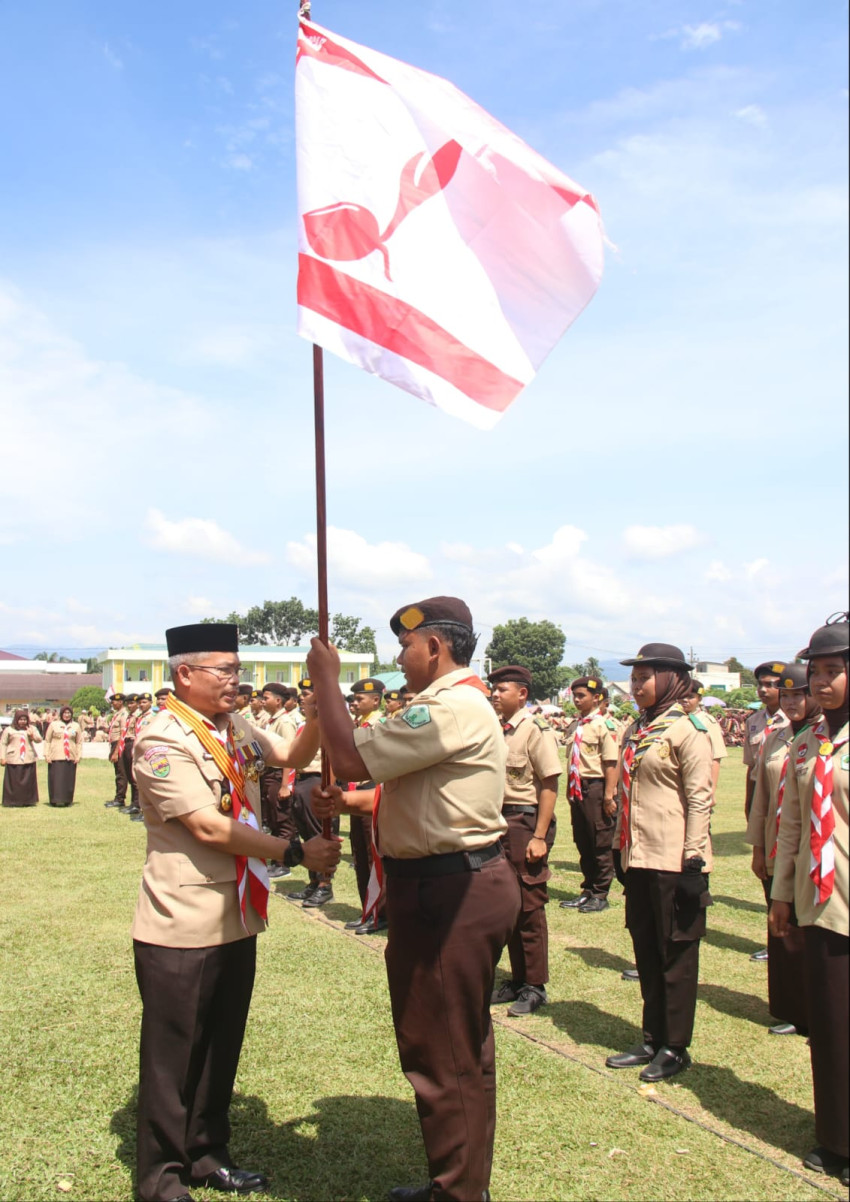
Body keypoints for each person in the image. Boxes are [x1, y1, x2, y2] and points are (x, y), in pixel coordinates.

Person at [308, 596, 520, 1202]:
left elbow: (350, 757)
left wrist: (328, 682)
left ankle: (456, 1193)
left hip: (448, 890)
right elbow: (425, 796)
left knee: (443, 1050)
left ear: (435, 647)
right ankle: (458, 1184)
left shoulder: (451, 706)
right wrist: (349, 803)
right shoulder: (446, 705)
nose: (399, 658)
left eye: (406, 646)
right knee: (459, 1047)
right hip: (445, 882)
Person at [131, 623, 340, 1202]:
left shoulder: (234, 726)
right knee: (174, 1055)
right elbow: (204, 824)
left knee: (222, 1043)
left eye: (236, 668)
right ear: (184, 674)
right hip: (183, 918)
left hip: (235, 913)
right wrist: (294, 850)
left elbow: (294, 754)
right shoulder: (161, 738)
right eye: (222, 669)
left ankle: (206, 1154)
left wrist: (319, 710)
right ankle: (161, 1178)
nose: (235, 679)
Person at [606, 643, 714, 1083]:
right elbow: (630, 794)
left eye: (644, 677)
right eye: (633, 678)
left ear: (670, 679)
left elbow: (700, 798)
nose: (636, 686)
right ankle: (652, 1037)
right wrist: (618, 845)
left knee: (676, 955)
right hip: (639, 855)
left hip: (674, 859)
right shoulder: (637, 728)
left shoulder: (689, 730)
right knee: (647, 950)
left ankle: (676, 1046)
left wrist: (694, 856)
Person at [770, 615, 849, 1187]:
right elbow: (792, 827)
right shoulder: (807, 742)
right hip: (821, 903)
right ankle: (837, 1136)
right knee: (831, 1025)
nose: (821, 682)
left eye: (835, 670)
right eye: (817, 671)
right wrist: (780, 895)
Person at [746, 662, 817, 1036]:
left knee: (812, 931)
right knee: (781, 926)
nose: (790, 701)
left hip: (815, 850)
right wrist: (758, 846)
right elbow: (762, 797)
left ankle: (816, 1006)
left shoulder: (825, 737)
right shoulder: (774, 737)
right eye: (785, 694)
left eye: (797, 693)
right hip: (778, 846)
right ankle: (792, 1007)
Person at [488, 664, 561, 1016]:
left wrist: (540, 836)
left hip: (525, 820)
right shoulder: (499, 730)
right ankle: (518, 979)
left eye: (502, 689)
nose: (495, 694)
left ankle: (535, 984)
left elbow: (549, 784)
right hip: (500, 820)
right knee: (508, 904)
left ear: (522, 694)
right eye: (494, 688)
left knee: (529, 905)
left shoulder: (535, 730)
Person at [559, 675, 619, 913]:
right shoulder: (578, 725)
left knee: (600, 841)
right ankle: (587, 890)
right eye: (575, 695)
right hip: (578, 788)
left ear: (596, 698)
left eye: (582, 695)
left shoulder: (604, 726)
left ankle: (600, 893)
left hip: (596, 787)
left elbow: (611, 763)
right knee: (583, 840)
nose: (577, 699)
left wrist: (608, 795)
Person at [284, 676, 338, 910]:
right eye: (302, 696)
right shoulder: (305, 725)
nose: (301, 700)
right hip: (302, 780)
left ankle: (325, 884)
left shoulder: (328, 724)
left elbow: (333, 759)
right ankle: (314, 881)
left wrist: (329, 788)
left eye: (307, 696)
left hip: (318, 780)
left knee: (321, 832)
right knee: (306, 832)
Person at [260, 683, 298, 879]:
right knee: (273, 818)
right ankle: (276, 858)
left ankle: (283, 862)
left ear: (278, 700)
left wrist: (285, 784)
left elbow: (290, 755)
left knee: (283, 819)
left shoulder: (284, 722)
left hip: (278, 776)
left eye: (266, 698)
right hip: (268, 775)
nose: (262, 701)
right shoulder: (270, 720)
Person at [743, 664, 789, 819]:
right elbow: (751, 766)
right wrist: (749, 800)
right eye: (760, 684)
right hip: (758, 789)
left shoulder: (794, 720)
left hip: (784, 788)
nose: (762, 690)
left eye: (770, 685)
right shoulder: (753, 721)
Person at [681, 682, 727, 797]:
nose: (685, 700)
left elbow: (716, 757)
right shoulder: (675, 719)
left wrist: (711, 791)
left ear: (699, 699)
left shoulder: (707, 721)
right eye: (682, 696)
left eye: (691, 697)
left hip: (699, 782)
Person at [43, 704, 83, 806]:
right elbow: (47, 740)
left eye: (69, 713)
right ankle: (54, 800)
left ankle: (67, 800)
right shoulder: (53, 725)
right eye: (65, 713)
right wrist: (46, 755)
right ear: (61, 714)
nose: (67, 715)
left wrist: (78, 755)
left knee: (68, 780)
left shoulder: (76, 726)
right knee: (55, 779)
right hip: (56, 756)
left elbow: (79, 742)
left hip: (70, 756)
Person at [1, 710, 43, 806]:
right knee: (13, 782)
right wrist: (2, 757)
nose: (23, 721)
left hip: (28, 758)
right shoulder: (9, 730)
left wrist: (31, 735)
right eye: (20, 719)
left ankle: (27, 801)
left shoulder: (31, 728)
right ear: (16, 720)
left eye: (24, 719)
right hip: (13, 758)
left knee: (28, 781)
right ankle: (12, 801)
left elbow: (39, 739)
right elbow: (3, 744)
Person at [104, 693, 129, 809]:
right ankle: (118, 797)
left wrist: (116, 752)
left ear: (120, 702)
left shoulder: (124, 714)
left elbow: (122, 733)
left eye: (114, 701)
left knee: (121, 773)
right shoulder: (117, 714)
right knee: (118, 772)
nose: (112, 703)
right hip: (114, 744)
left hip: (119, 745)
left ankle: (120, 799)